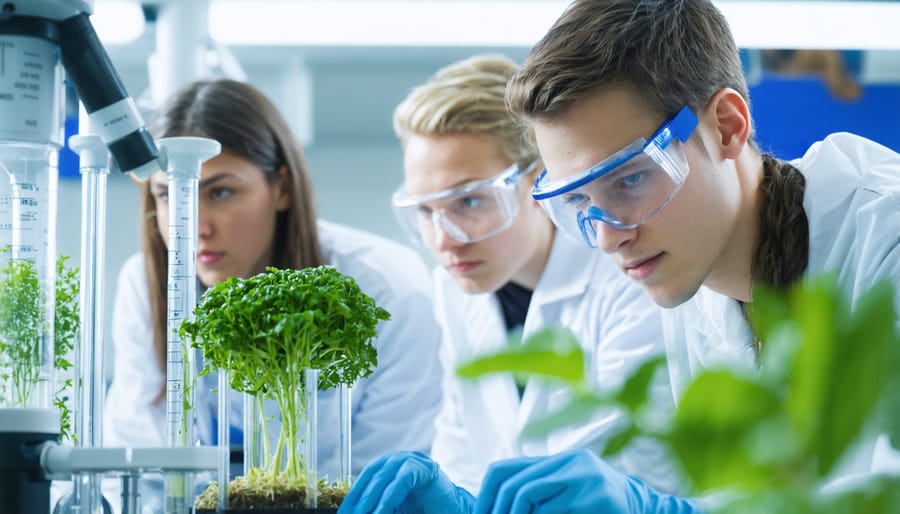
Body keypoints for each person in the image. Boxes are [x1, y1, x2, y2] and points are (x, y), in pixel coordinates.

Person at [454, 0, 900, 512]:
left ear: (727, 127)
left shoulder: (884, 238)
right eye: (576, 199)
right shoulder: (693, 279)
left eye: (631, 178)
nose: (607, 238)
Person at [339, 54, 677, 514]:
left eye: (470, 201)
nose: (444, 241)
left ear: (541, 181)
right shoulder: (456, 291)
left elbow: (618, 478)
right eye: (424, 210)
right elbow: (467, 458)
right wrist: (454, 499)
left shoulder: (627, 274)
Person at [102, 79, 443, 512]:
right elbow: (141, 465)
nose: (195, 224)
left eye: (221, 192)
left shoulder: (385, 287)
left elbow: (384, 481)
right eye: (169, 195)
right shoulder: (145, 284)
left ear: (281, 187)